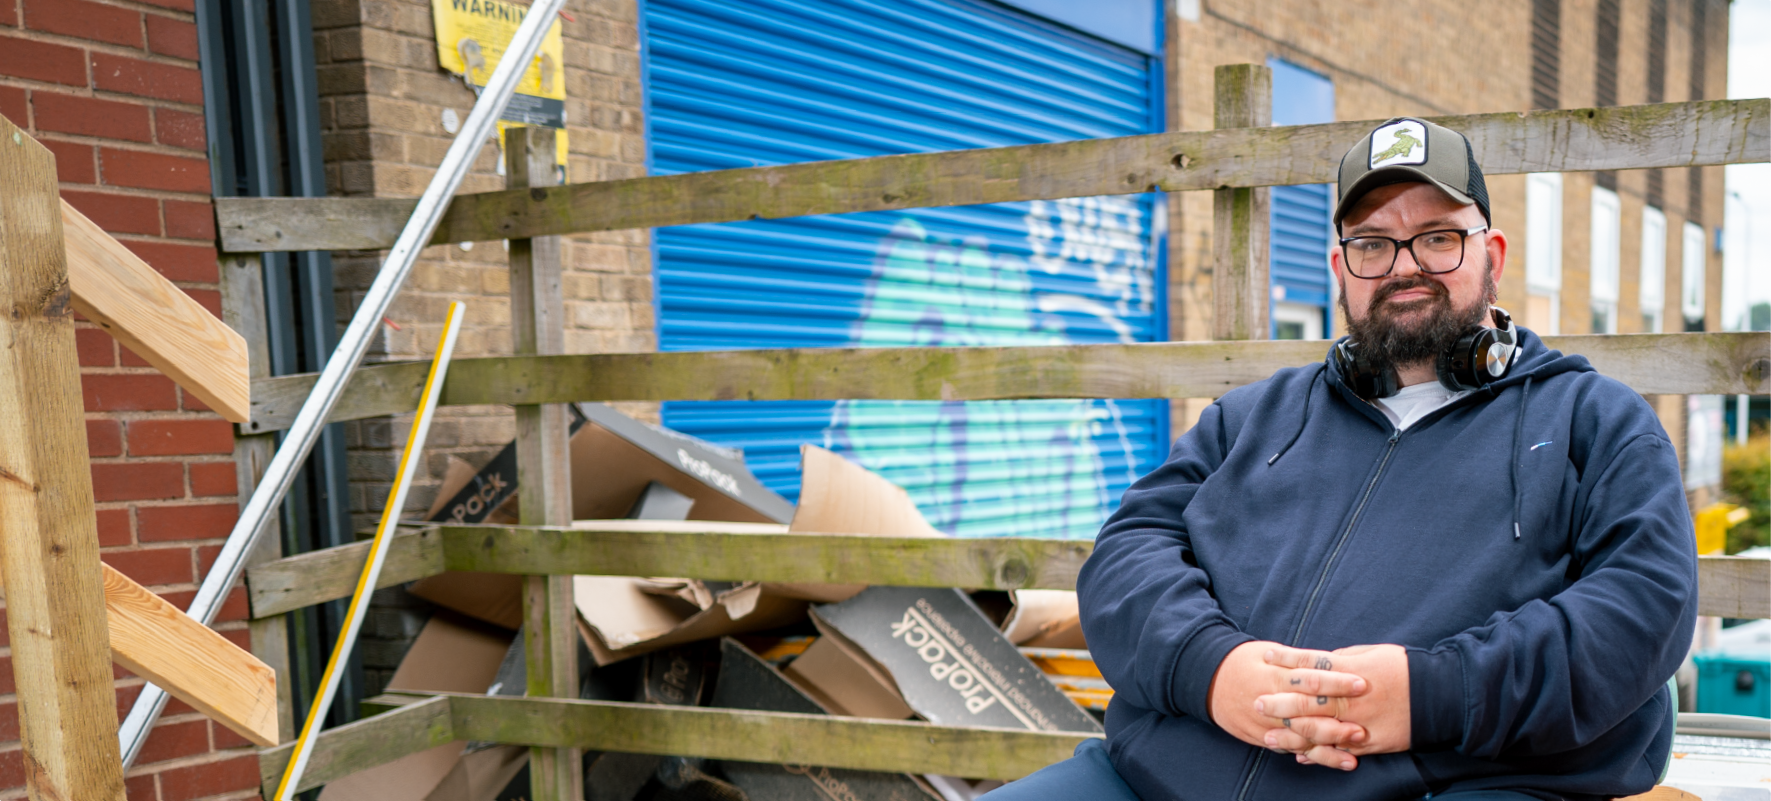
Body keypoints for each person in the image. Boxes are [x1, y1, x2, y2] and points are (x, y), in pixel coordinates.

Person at [985, 118, 1697, 801]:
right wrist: (1212, 669)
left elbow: (1642, 608)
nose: (1404, 266)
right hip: (1150, 776)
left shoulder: (1593, 421)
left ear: (1493, 255)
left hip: (1445, 784)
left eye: (1438, 237)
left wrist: (1429, 694)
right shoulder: (1249, 417)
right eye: (1371, 244)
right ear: (1340, 268)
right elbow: (1124, 555)